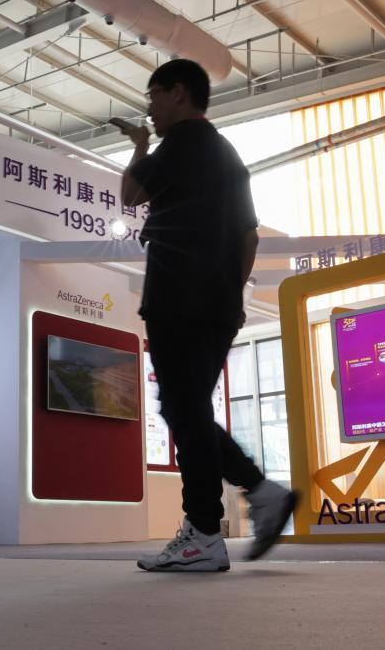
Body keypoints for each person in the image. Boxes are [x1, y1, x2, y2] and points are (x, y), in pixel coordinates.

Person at [120, 59, 297, 573]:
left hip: (176, 297)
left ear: (178, 92)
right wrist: (232, 297)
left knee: (183, 409)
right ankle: (259, 493)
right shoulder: (226, 153)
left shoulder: (179, 144)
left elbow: (130, 195)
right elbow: (250, 236)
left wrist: (139, 146)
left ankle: (204, 530)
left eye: (154, 96)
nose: (151, 109)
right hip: (217, 304)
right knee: (187, 409)